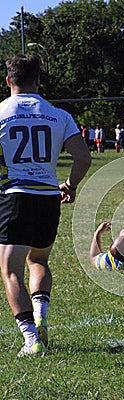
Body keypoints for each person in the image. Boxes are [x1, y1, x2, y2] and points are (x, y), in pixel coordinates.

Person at [0, 54, 91, 356]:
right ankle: (40, 315)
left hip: (15, 197)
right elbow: (83, 158)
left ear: (8, 80)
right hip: (48, 198)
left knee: (10, 270)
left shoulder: (0, 112)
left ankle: (30, 339)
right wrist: (71, 185)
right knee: (38, 261)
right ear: (38, 81)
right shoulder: (58, 115)